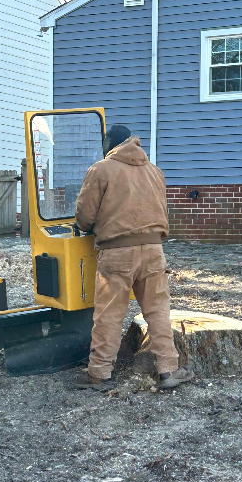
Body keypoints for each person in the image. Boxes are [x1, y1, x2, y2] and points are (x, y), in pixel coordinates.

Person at [74, 125, 193, 390]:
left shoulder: (100, 170)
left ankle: (99, 375)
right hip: (153, 251)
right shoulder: (155, 171)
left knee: (108, 316)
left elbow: (84, 217)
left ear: (110, 144)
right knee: (158, 312)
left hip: (117, 253)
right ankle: (168, 370)